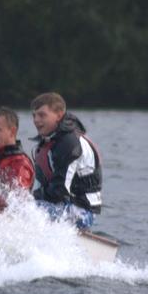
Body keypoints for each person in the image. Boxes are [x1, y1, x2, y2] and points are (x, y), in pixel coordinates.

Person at [30, 92, 102, 228]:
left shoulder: (70, 143)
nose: (36, 120)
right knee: (21, 206)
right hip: (60, 206)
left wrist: (29, 199)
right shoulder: (49, 141)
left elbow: (60, 190)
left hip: (82, 211)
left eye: (41, 115)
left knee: (25, 209)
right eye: (34, 116)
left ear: (59, 114)